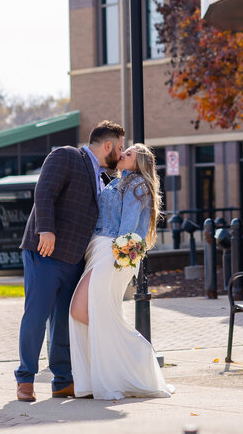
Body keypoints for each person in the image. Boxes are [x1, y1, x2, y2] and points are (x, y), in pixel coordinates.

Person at [15, 121, 125, 402]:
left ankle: (62, 381)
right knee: (37, 316)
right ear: (108, 146)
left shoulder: (104, 178)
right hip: (45, 252)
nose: (121, 154)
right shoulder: (66, 155)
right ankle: (25, 379)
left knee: (63, 321)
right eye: (120, 147)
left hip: (75, 258)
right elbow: (44, 191)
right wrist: (46, 229)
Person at [68, 143, 174, 400]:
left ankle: (138, 355)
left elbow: (128, 227)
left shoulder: (137, 185)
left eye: (128, 154)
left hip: (114, 251)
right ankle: (115, 369)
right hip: (99, 249)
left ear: (138, 164)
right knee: (87, 313)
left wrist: (123, 252)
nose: (122, 154)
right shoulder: (118, 182)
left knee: (80, 310)